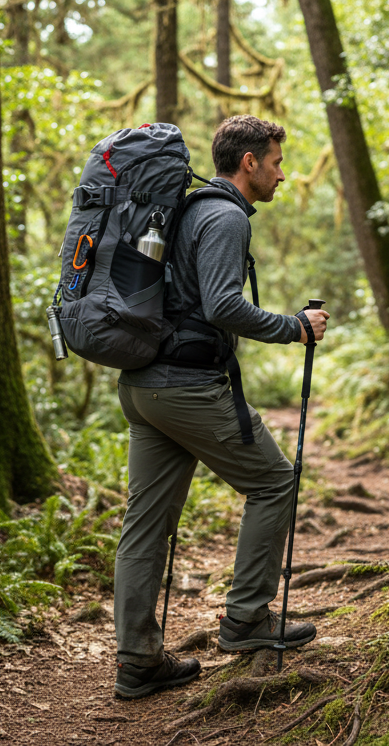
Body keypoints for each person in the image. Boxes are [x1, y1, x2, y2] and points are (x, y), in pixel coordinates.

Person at [112, 116, 330, 700]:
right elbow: (223, 305)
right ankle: (246, 620)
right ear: (250, 162)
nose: (284, 174)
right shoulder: (227, 215)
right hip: (186, 388)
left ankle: (137, 661)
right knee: (275, 483)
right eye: (277, 162)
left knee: (146, 523)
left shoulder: (185, 208)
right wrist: (295, 327)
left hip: (142, 387)